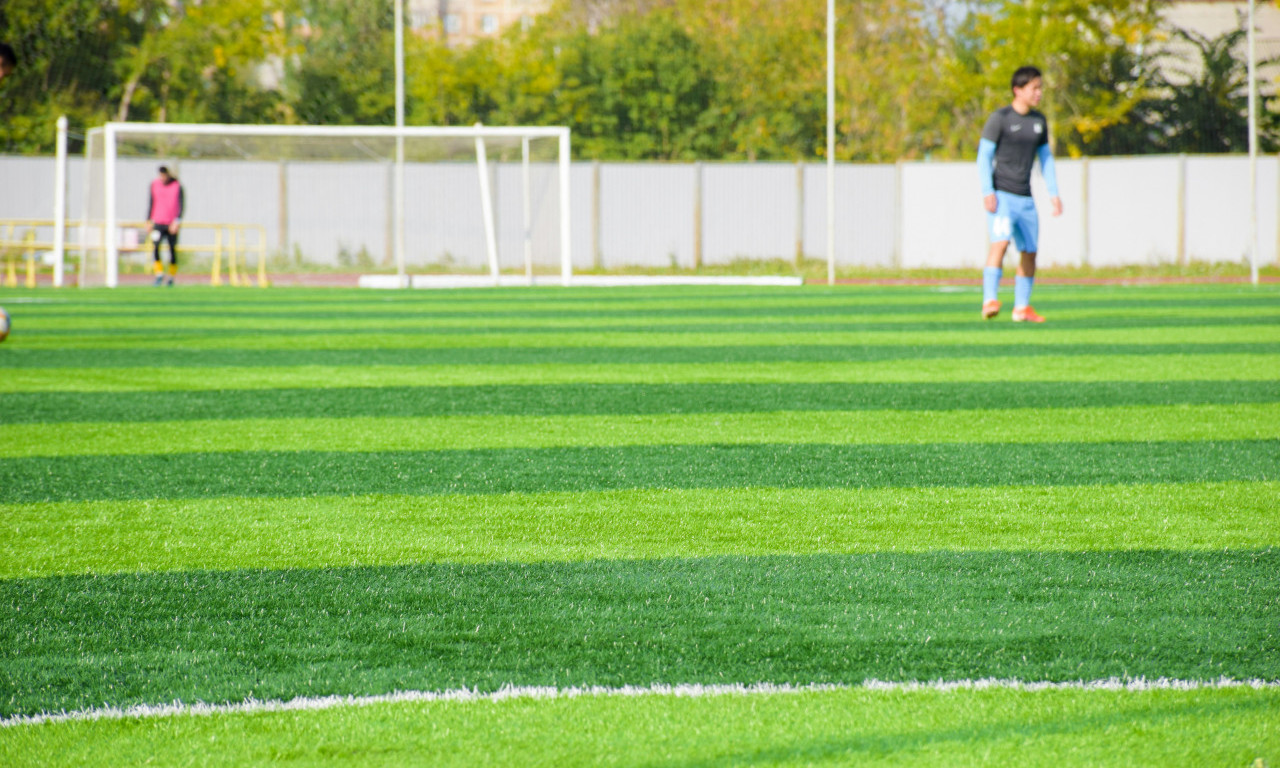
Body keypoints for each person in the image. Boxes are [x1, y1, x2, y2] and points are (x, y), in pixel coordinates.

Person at [978, 65, 1062, 323]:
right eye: (1034, 87)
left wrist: (1054, 193)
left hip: (1026, 199)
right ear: (1018, 90)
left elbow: (1045, 159)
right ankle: (989, 299)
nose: (1039, 92)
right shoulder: (1000, 119)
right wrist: (987, 190)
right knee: (1000, 243)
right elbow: (984, 157)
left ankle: (1021, 308)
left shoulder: (1039, 122)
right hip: (1002, 195)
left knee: (1030, 251)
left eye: (1040, 87)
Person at [146, 166, 185, 286]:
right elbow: (151, 202)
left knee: (172, 250)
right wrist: (148, 220)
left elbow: (181, 204)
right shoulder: (154, 184)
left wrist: (177, 221)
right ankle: (159, 274)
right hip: (158, 222)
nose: (162, 178)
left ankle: (171, 276)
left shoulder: (177, 185)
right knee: (156, 247)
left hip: (171, 224)